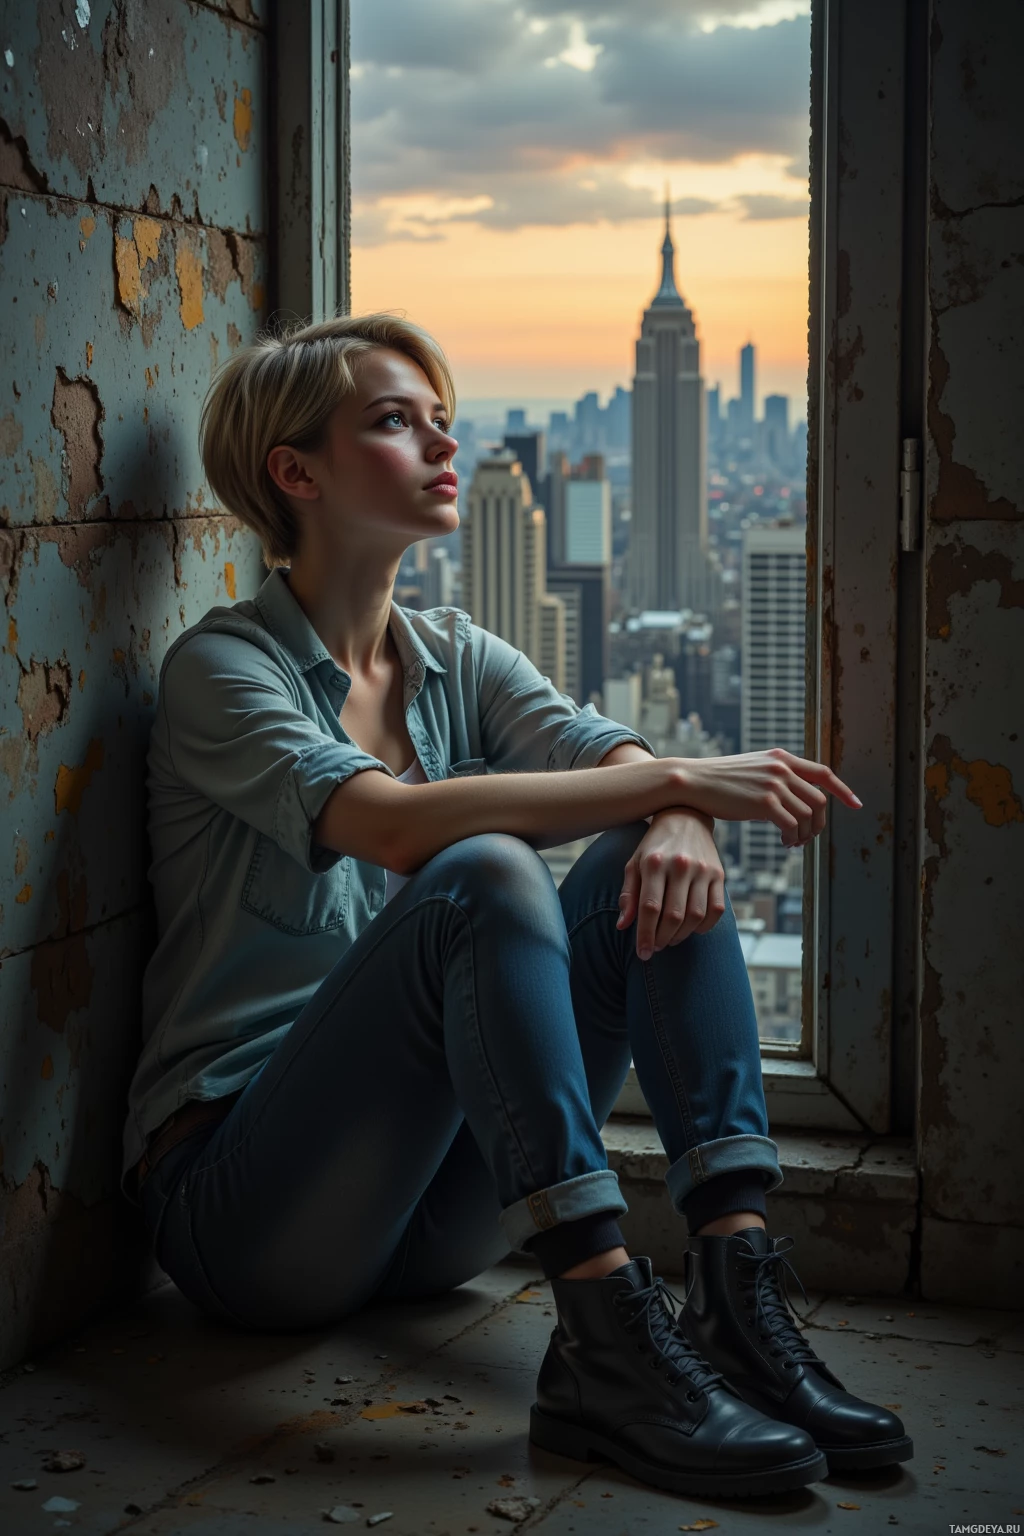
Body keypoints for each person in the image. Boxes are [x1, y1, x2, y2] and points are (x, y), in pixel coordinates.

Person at [123, 313, 913, 1500]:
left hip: (435, 1217)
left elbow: (612, 756)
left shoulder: (455, 652)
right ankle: (602, 1337)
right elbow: (392, 825)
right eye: (396, 421)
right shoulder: (222, 670)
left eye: (443, 418)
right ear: (297, 473)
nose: (446, 444)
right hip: (249, 1212)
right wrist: (684, 779)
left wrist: (676, 808)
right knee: (486, 872)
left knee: (639, 846)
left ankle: (735, 1295)